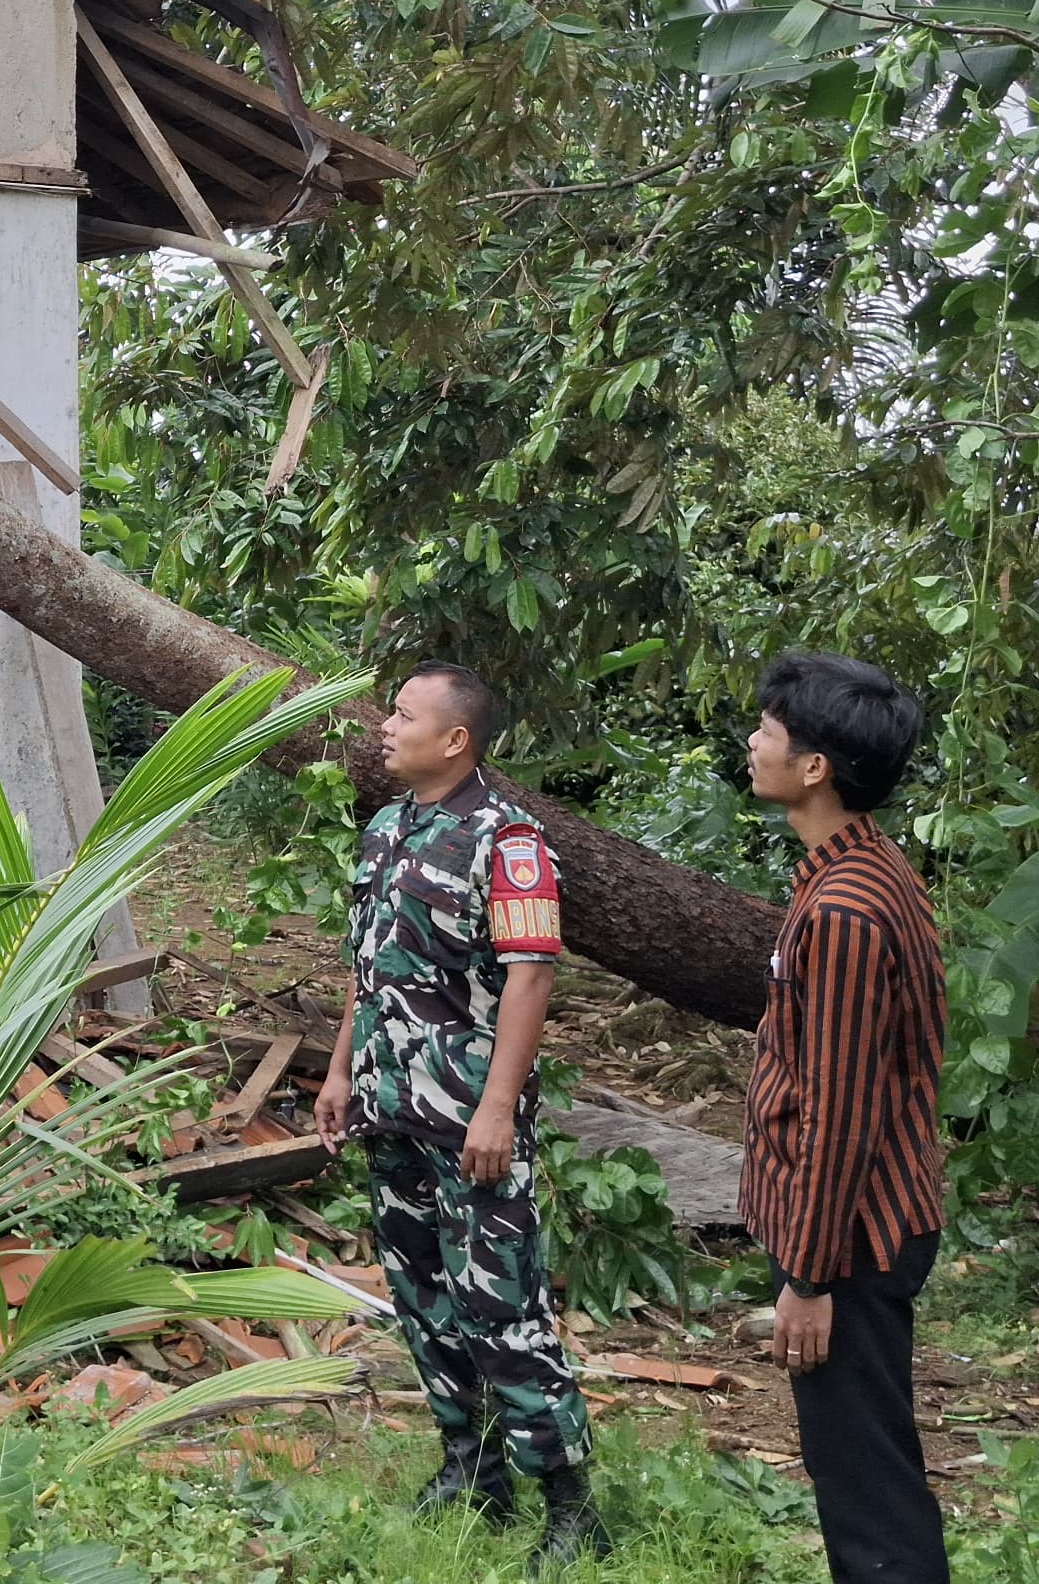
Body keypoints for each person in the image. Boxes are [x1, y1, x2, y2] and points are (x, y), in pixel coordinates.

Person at [325, 661, 606, 1567]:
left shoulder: (509, 841)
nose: (384, 725)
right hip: (390, 1106)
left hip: (468, 1119)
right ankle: (471, 1469)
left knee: (500, 1304)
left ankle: (569, 1506)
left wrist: (495, 1111)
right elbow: (369, 973)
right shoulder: (385, 829)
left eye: (402, 714)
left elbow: (531, 976)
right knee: (422, 1297)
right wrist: (339, 1075)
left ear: (456, 739)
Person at [735, 652, 948, 1584]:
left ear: (815, 766)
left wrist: (809, 1277)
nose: (754, 741)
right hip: (854, 1226)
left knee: (862, 1472)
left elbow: (842, 1112)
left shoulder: (849, 910)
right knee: (859, 1458)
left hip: (853, 1236)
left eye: (770, 731)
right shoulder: (853, 872)